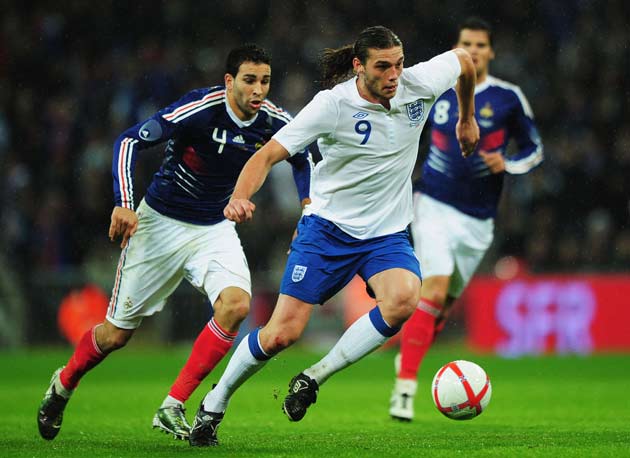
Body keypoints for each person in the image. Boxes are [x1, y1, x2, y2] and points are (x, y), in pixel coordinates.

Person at [187, 25, 479, 447]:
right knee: (281, 334)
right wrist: (238, 196)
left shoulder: (418, 83)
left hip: (387, 233)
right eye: (383, 66)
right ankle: (215, 401)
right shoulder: (332, 106)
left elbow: (464, 61)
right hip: (326, 231)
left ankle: (312, 378)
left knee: (402, 300)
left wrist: (466, 119)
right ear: (359, 67)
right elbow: (268, 154)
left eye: (398, 63)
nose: (395, 74)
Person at [36, 44, 312, 441]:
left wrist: (308, 207)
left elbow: (303, 155)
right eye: (249, 80)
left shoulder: (272, 120)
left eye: (265, 81)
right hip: (160, 224)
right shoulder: (200, 108)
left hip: (213, 229)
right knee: (116, 335)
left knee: (236, 306)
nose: (258, 90)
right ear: (230, 81)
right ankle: (63, 383)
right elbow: (130, 142)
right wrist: (125, 204)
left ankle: (173, 404)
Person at [389, 17, 544, 421]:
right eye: (466, 43)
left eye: (480, 44)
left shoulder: (509, 98)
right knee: (434, 291)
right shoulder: (437, 91)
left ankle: (412, 350)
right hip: (433, 203)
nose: (472, 50)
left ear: (490, 51)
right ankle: (404, 388)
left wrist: (507, 163)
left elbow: (534, 149)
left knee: (442, 306)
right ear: (457, 48)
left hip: (478, 220)